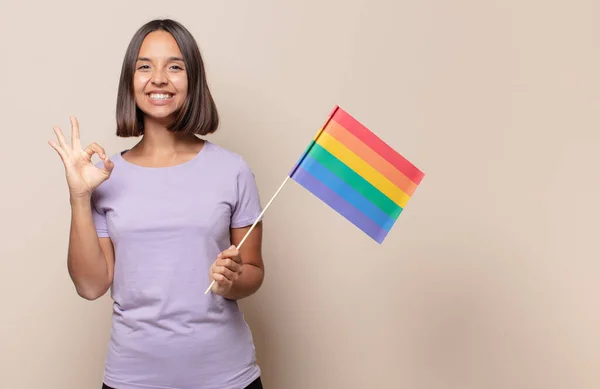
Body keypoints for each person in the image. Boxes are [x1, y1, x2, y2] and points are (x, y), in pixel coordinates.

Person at [48, 19, 265, 389]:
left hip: (226, 376)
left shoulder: (233, 169)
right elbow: (90, 285)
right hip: (133, 377)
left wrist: (231, 282)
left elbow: (254, 272)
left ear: (192, 80)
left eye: (175, 66)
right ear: (129, 82)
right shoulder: (106, 176)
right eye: (145, 66)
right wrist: (80, 197)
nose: (159, 78)